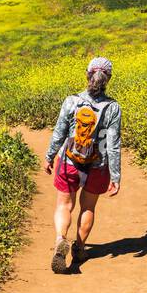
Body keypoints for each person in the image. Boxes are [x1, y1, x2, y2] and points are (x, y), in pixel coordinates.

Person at [43, 56, 122, 273]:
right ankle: (79, 247)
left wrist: (49, 156)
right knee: (88, 207)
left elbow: (59, 133)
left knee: (64, 206)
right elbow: (113, 145)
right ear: (108, 79)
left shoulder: (71, 101)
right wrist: (115, 176)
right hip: (98, 166)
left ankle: (61, 239)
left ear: (88, 75)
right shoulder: (113, 108)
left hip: (69, 161)